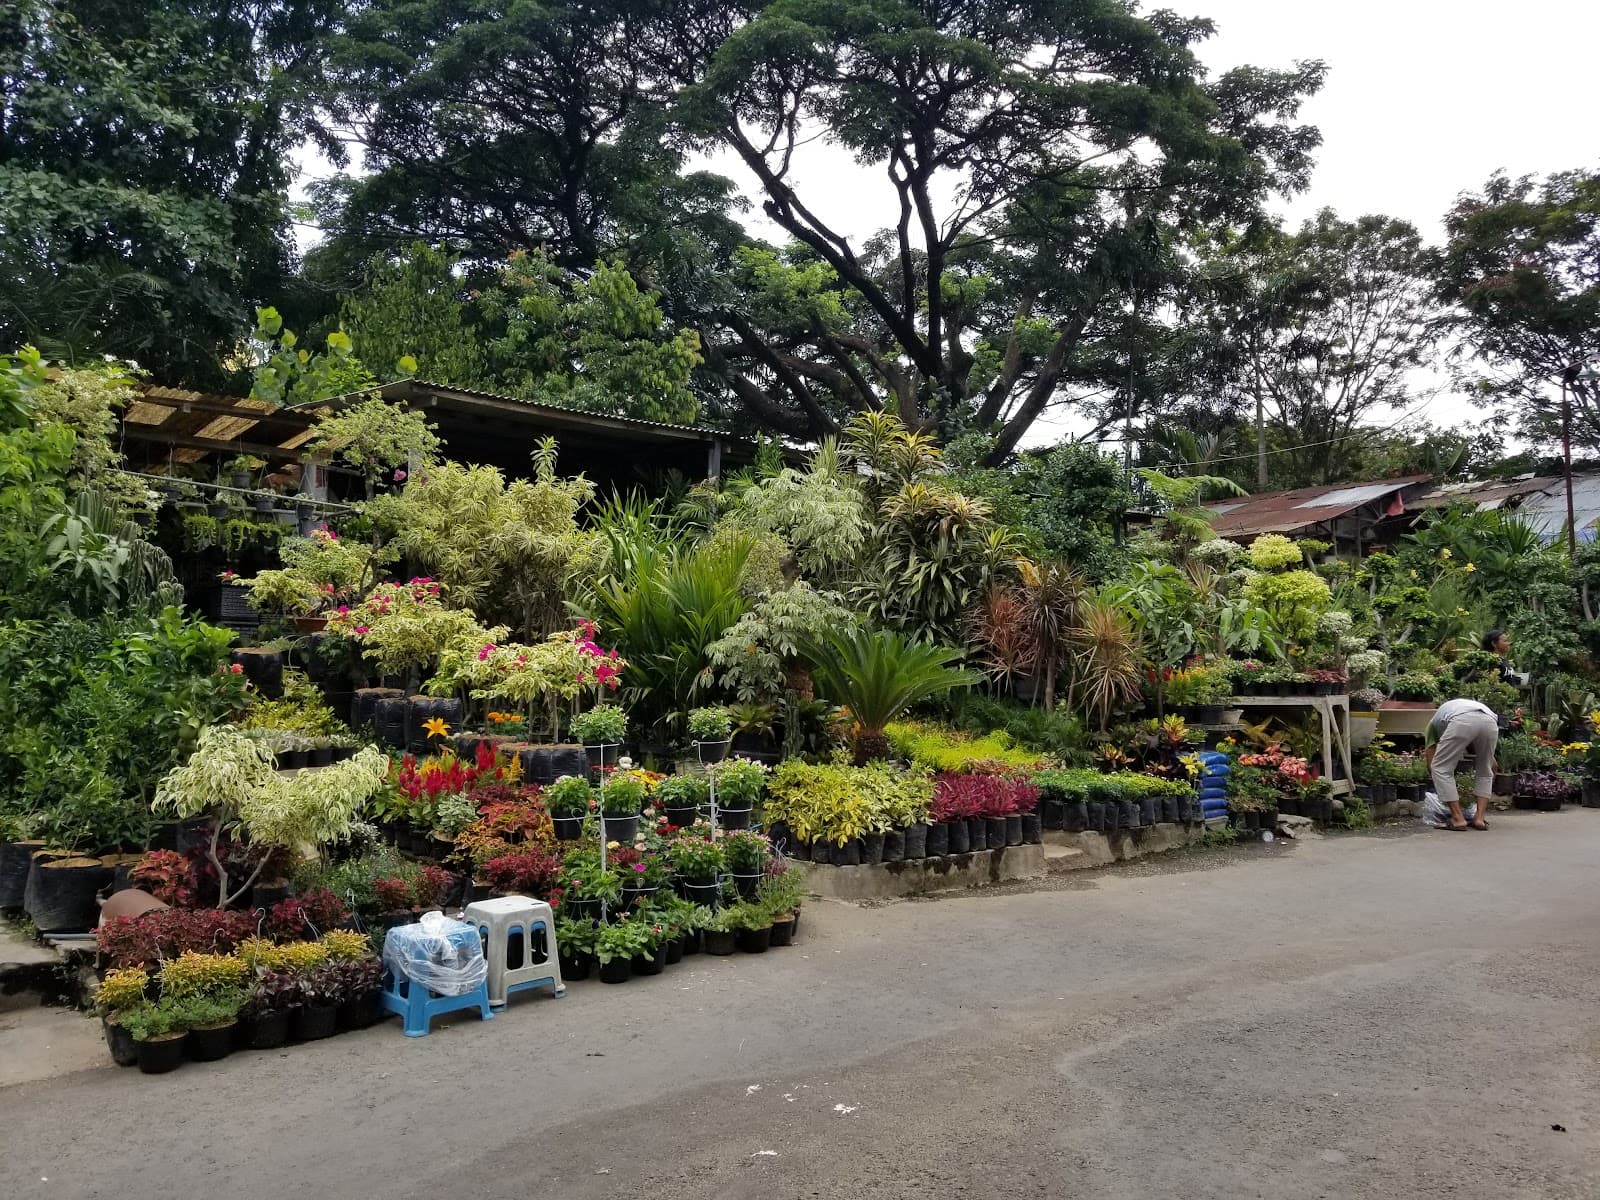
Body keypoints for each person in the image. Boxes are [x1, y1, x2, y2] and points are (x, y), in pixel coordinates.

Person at [1424, 697, 1500, 831]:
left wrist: (1439, 784)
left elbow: (1431, 760)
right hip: (1490, 720)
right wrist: (1490, 767)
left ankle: (1458, 818)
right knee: (1485, 770)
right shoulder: (1447, 716)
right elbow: (1492, 765)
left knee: (1440, 768)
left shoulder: (1433, 724)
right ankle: (1479, 819)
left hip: (1462, 720)